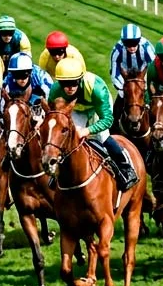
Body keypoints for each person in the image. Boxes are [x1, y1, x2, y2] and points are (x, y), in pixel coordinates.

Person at [48, 56, 139, 191]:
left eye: (74, 83)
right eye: (65, 84)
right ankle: (58, 172)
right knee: (66, 137)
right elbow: (53, 115)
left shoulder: (96, 89)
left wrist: (87, 130)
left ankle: (125, 168)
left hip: (96, 107)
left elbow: (107, 120)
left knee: (102, 137)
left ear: (80, 79)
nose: (70, 88)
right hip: (76, 107)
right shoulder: (55, 90)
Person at [109, 23, 156, 91]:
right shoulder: (117, 50)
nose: (131, 47)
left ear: (139, 40)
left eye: (134, 43)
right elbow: (114, 74)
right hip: (125, 76)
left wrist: (147, 85)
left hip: (143, 73)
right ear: (123, 42)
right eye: (128, 44)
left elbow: (154, 69)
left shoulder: (147, 48)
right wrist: (124, 88)